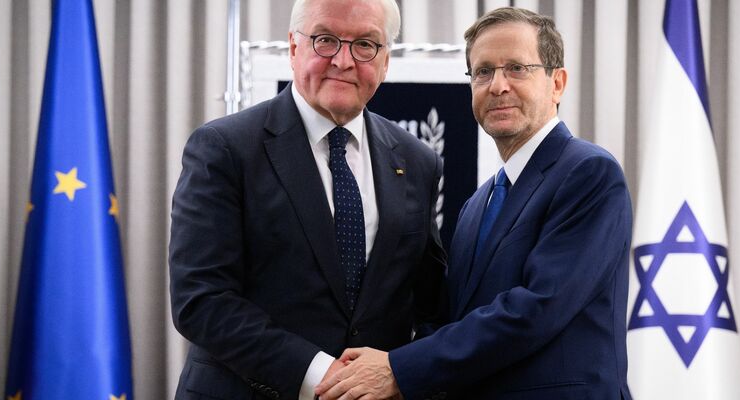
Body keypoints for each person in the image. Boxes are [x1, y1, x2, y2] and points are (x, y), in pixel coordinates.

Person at [315, 7, 633, 400]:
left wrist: (398, 370)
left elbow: (536, 310)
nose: (498, 85)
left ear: (558, 83)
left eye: (517, 68)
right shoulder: (477, 205)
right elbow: (453, 318)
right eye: (483, 72)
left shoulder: (588, 174)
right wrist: (378, 367)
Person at [167, 0, 446, 399]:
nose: (344, 61)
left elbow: (430, 301)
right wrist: (324, 375)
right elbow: (202, 300)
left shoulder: (418, 160)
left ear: (386, 61)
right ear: (294, 48)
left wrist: (403, 373)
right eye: (326, 40)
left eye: (366, 44)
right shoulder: (225, 148)